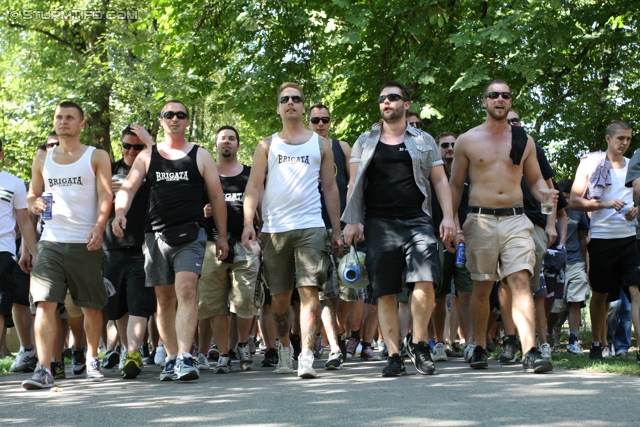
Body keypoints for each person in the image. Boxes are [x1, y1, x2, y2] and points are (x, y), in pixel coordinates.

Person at [342, 81, 456, 377]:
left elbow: (441, 181)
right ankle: (394, 355)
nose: (386, 102)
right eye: (382, 99)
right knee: (386, 291)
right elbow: (353, 185)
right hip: (379, 223)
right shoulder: (365, 141)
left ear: (406, 104)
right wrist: (352, 221)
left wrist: (448, 218)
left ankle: (419, 344)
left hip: (417, 220)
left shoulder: (423, 140)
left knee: (426, 280)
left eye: (393, 98)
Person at [113, 100, 229, 382]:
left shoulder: (200, 155)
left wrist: (222, 235)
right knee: (164, 299)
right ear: (162, 121)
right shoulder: (147, 156)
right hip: (155, 235)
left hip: (191, 233)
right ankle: (172, 355)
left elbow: (216, 197)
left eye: (180, 114)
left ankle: (186, 357)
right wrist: (119, 214)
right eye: (169, 114)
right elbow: (127, 189)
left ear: (187, 121)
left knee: (187, 289)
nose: (174, 118)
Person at [449, 79, 554, 374]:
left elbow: (534, 180)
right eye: (493, 95)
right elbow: (455, 186)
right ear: (484, 102)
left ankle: (530, 351)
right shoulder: (467, 140)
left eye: (505, 96)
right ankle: (479, 346)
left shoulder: (523, 140)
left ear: (509, 102)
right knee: (482, 288)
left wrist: (543, 194)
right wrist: (451, 223)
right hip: (479, 219)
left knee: (520, 281)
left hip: (517, 220)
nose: (500, 99)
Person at [242, 82, 344, 379]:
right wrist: (249, 223)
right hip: (274, 230)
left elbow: (330, 188)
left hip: (311, 226)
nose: (290, 103)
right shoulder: (266, 145)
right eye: (285, 99)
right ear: (278, 108)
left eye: (296, 99)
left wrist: (335, 230)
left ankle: (307, 356)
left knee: (309, 290)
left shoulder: (321, 145)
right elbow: (253, 186)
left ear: (303, 106)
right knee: (281, 299)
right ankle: (285, 347)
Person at [23, 101, 113, 389]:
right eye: (59, 117)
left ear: (81, 124)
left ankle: (93, 359)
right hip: (51, 242)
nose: (63, 122)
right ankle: (44, 368)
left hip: (84, 243)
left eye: (70, 118)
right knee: (44, 303)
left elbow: (106, 195)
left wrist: (99, 227)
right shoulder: (42, 158)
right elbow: (32, 194)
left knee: (91, 307)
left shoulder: (96, 155)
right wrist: (34, 202)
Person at [570, 120, 640, 362]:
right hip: (601, 238)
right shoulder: (591, 164)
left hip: (629, 238)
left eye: (629, 139)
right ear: (608, 139)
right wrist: (606, 203)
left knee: (635, 291)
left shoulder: (634, 166)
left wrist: (636, 210)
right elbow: (574, 201)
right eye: (620, 138)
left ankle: (639, 348)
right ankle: (598, 344)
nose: (625, 143)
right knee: (600, 295)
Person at [306, 103, 369, 368]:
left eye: (325, 119)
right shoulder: (300, 148)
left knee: (348, 287)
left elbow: (354, 186)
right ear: (308, 122)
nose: (321, 124)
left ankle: (341, 334)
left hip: (341, 226)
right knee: (321, 289)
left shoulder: (341, 148)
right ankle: (325, 340)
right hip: (309, 225)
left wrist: (354, 220)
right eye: (315, 120)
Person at [196, 125, 260, 374]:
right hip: (212, 244)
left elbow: (261, 210)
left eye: (231, 139)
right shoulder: (206, 175)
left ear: (238, 145)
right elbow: (192, 208)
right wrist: (202, 212)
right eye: (222, 138)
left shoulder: (250, 174)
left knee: (244, 300)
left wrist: (260, 236)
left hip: (244, 244)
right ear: (215, 144)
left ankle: (242, 344)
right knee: (213, 303)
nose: (227, 142)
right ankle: (223, 353)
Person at [102, 125, 156, 379]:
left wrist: (151, 143)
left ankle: (134, 353)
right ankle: (126, 349)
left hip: (143, 245)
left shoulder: (153, 167)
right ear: (120, 145)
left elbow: (169, 167)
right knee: (117, 307)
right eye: (127, 146)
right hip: (111, 247)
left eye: (139, 146)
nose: (132, 151)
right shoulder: (109, 169)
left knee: (138, 302)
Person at [429, 132, 474, 361]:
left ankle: (470, 343)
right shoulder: (433, 175)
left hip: (467, 241)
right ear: (437, 149)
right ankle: (438, 342)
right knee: (439, 294)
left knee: (467, 292)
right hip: (439, 239)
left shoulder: (469, 173)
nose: (449, 148)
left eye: (453, 145)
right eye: (444, 145)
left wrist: (463, 232)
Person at [555, 179, 590, 355]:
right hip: (554, 263)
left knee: (576, 300)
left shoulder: (578, 212)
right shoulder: (549, 210)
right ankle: (550, 334)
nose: (567, 202)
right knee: (554, 306)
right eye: (564, 198)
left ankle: (573, 341)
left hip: (576, 262)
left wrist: (586, 264)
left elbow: (583, 237)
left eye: (570, 198)